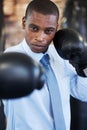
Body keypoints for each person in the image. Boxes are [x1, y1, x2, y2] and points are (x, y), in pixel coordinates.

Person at [3, 0, 87, 130]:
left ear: (56, 28)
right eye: (34, 28)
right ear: (24, 23)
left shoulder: (61, 57)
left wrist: (84, 65)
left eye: (48, 31)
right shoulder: (10, 57)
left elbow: (83, 94)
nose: (41, 37)